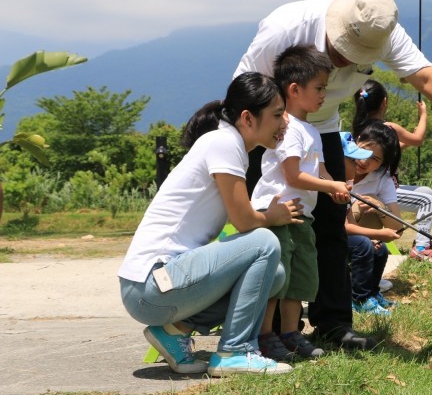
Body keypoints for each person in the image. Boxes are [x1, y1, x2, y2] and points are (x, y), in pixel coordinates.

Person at [235, 0, 432, 350]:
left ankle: (333, 324)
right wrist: (246, 150)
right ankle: (266, 332)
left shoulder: (382, 32)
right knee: (272, 230)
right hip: (268, 131)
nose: (345, 63)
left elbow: (426, 77)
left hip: (321, 130)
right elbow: (243, 93)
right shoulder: (286, 28)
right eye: (342, 52)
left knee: (331, 228)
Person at [118, 72, 302, 377]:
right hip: (150, 285)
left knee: (275, 274)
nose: (284, 124)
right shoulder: (224, 143)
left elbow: (240, 218)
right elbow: (244, 221)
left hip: (157, 287)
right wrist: (272, 216)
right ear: (248, 118)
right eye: (277, 114)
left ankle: (174, 331)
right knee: (265, 242)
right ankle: (235, 351)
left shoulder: (226, 144)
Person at [250, 45, 350, 362]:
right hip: (279, 214)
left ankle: (291, 334)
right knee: (277, 277)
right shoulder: (288, 128)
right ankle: (265, 337)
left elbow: (319, 171)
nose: (324, 95)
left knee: (301, 278)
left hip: (302, 216)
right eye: (319, 88)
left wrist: (337, 187)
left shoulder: (311, 130)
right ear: (295, 90)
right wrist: (329, 184)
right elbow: (293, 175)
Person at [352, 79, 432, 265]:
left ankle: (424, 239)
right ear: (384, 102)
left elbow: (385, 154)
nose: (365, 160)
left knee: (427, 191)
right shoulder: (388, 128)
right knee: (426, 200)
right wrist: (423, 115)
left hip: (379, 186)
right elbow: (418, 139)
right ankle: (421, 247)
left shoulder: (359, 129)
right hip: (374, 190)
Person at [344, 122, 403, 315]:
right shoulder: (339, 166)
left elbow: (397, 228)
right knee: (364, 244)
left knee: (380, 249)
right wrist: (374, 235)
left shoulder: (382, 179)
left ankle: (371, 293)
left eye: (375, 159)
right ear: (357, 140)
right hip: (337, 229)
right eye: (364, 152)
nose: (364, 161)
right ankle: (359, 299)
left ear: (383, 164)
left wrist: (380, 207)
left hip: (354, 231)